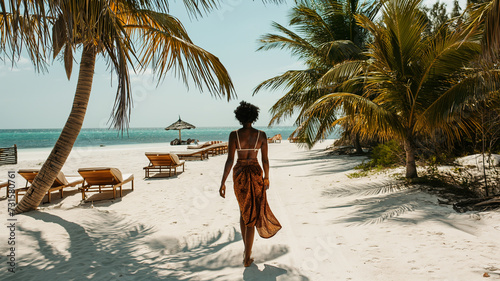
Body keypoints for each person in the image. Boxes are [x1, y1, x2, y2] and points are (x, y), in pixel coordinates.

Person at [219, 101, 282, 267]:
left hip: (239, 174)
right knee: (251, 214)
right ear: (254, 116)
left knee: (244, 211)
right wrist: (267, 177)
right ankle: (247, 255)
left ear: (239, 117)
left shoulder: (234, 135)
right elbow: (265, 160)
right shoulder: (261, 135)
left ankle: (246, 253)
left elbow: (230, 160)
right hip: (255, 173)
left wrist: (223, 182)